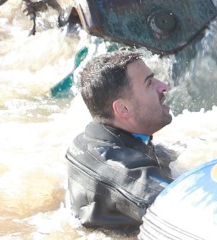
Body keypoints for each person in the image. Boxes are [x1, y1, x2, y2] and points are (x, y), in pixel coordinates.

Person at [65, 51, 176, 230]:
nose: (163, 86)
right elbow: (176, 202)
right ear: (123, 108)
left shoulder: (93, 138)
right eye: (149, 83)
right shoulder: (121, 171)